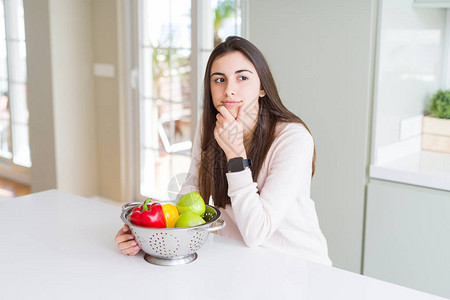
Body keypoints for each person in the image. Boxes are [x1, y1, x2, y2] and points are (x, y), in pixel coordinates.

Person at [115, 36, 332, 266]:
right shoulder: (210, 124)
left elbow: (256, 233)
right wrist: (146, 234)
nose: (229, 90)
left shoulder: (293, 139)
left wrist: (235, 155)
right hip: (241, 262)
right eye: (219, 79)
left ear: (262, 88)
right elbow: (191, 196)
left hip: (300, 267)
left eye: (242, 78)